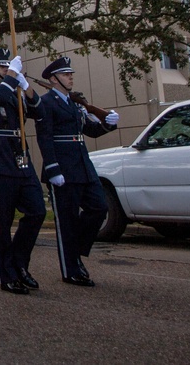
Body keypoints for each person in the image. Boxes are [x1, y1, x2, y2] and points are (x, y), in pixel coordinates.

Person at [37, 56, 120, 287]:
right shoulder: (46, 103)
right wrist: (52, 169)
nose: (70, 77)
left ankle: (78, 251)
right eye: (65, 74)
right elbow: (45, 138)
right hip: (63, 169)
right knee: (67, 221)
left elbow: (90, 131)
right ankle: (71, 269)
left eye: (71, 73)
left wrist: (109, 123)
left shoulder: (74, 104)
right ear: (53, 79)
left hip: (83, 166)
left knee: (99, 207)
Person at [0, 48, 46, 295]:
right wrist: (12, 78)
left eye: (8, 67)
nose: (6, 70)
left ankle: (19, 263)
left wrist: (26, 86)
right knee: (2, 222)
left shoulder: (15, 91)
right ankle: (7, 275)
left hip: (20, 157)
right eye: (2, 67)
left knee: (36, 211)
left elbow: (39, 112)